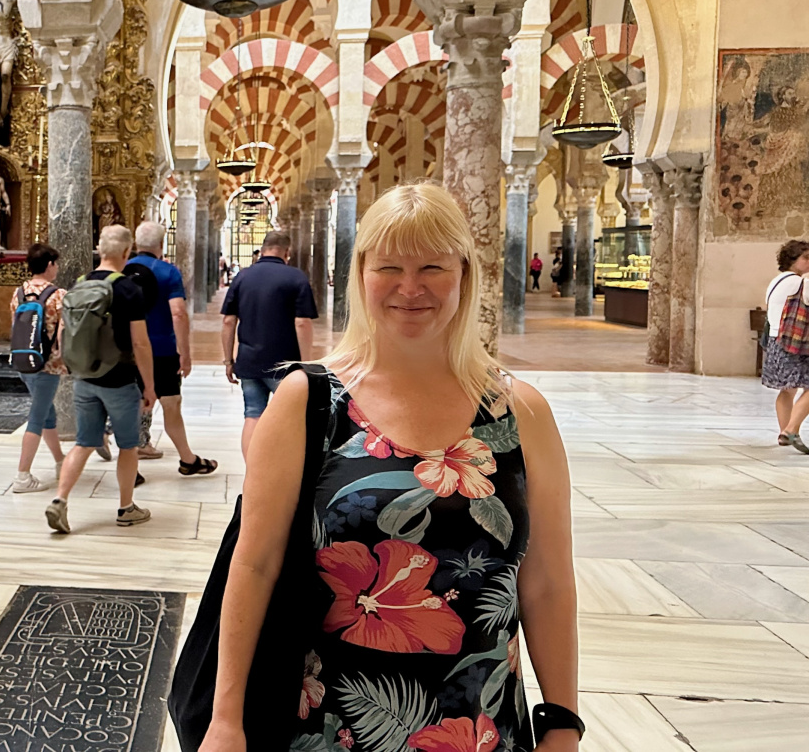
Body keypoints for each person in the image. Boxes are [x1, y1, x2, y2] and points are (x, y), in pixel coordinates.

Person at [190, 183, 580, 752]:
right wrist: (226, 719)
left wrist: (563, 723)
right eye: (390, 266)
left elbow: (546, 581)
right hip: (334, 727)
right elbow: (254, 565)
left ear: (464, 274)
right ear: (361, 273)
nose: (410, 287)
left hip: (483, 728)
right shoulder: (309, 401)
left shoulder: (520, 412)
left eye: (431, 267)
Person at [45, 225, 155, 533]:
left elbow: (65, 331)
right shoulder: (128, 288)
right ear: (126, 252)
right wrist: (149, 385)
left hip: (84, 377)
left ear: (100, 250)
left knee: (84, 442)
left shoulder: (78, 285)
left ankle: (60, 500)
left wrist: (71, 364)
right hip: (119, 378)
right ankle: (126, 508)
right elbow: (141, 343)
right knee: (129, 445)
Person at [128, 221, 218, 474]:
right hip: (162, 350)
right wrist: (185, 353)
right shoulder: (168, 272)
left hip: (127, 349)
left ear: (136, 244)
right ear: (161, 244)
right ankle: (187, 459)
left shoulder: (122, 270)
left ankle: (130, 464)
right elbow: (178, 313)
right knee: (171, 402)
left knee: (130, 403)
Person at [221, 231, 317, 459]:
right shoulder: (296, 278)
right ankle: (285, 470)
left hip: (249, 360)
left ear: (263, 249)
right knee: (293, 419)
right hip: (286, 365)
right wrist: (306, 364)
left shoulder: (242, 277)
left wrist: (228, 360)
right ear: (287, 252)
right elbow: (302, 323)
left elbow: (228, 321)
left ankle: (253, 470)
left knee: (253, 415)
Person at [8, 244, 69, 493]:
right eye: (55, 263)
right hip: (48, 365)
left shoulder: (18, 293)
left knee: (47, 413)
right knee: (36, 417)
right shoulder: (58, 295)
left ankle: (60, 460)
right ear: (49, 265)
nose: (57, 267)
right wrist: (64, 357)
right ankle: (23, 476)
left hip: (25, 360)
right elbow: (64, 331)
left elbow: (14, 325)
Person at [764, 239, 809, 452]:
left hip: (776, 341)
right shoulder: (800, 282)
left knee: (787, 390)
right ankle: (791, 430)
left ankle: (787, 433)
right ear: (792, 260)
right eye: (806, 258)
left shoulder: (776, 281)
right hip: (795, 343)